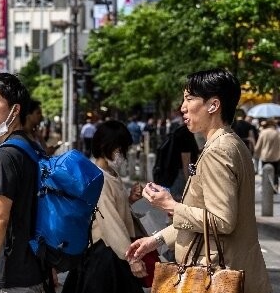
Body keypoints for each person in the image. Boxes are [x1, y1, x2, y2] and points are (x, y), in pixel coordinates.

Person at [127, 68, 271, 292]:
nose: (182, 107)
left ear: (213, 105)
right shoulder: (231, 143)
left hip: (214, 274)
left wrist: (170, 205)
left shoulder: (218, 150)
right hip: (232, 269)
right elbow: (199, 216)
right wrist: (156, 240)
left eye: (189, 99)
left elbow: (221, 220)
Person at [0, 73, 47, 293]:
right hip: (36, 265)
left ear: (16, 109)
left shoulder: (6, 155)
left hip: (14, 271)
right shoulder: (31, 147)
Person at [63, 121, 145, 293]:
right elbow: (110, 222)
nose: (122, 154)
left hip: (110, 252)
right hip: (104, 254)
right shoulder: (99, 178)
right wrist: (132, 258)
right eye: (120, 148)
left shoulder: (110, 174)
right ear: (104, 146)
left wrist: (129, 200)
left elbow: (109, 210)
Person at [152, 123, 199, 199]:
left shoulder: (178, 130)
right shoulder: (185, 133)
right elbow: (186, 161)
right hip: (181, 175)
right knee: (180, 203)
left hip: (173, 174)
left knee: (174, 204)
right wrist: (188, 182)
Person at [254, 119, 280, 186]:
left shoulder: (263, 132)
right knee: (275, 173)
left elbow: (258, 146)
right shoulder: (277, 133)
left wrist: (256, 153)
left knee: (265, 172)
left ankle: (266, 186)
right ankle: (275, 186)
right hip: (276, 156)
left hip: (265, 156)